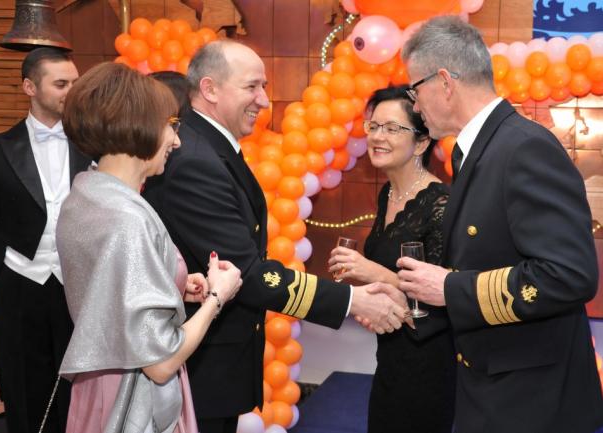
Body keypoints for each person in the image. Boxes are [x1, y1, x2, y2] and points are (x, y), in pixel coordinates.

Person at [142, 40, 408, 433]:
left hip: (213, 365)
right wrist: (353, 301)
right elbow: (245, 272)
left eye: (263, 87)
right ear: (210, 89)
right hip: (200, 369)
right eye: (251, 87)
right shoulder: (196, 159)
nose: (264, 100)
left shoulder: (209, 147)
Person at [397, 16, 603, 433]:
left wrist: (450, 288)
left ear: (444, 82)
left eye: (414, 91)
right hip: (495, 384)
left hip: (532, 401)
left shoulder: (523, 148)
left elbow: (569, 275)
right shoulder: (483, 148)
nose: (415, 106)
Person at [56, 61, 243, 433]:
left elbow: (107, 291)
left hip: (99, 387)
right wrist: (217, 298)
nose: (176, 140)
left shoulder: (86, 195)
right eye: (170, 125)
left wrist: (173, 285)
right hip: (132, 402)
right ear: (136, 125)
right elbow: (160, 363)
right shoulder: (128, 219)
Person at [328, 85, 455, 433]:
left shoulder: (441, 204)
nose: (377, 137)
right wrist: (373, 304)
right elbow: (395, 287)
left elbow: (443, 297)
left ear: (421, 142)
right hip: (390, 357)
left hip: (430, 366)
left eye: (392, 128)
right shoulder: (388, 193)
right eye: (373, 126)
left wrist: (372, 272)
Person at [0, 47, 88, 433]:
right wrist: (19, 252)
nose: (72, 91)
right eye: (61, 84)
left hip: (78, 285)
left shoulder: (93, 144)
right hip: (20, 285)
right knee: (24, 389)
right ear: (30, 87)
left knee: (80, 387)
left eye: (75, 83)